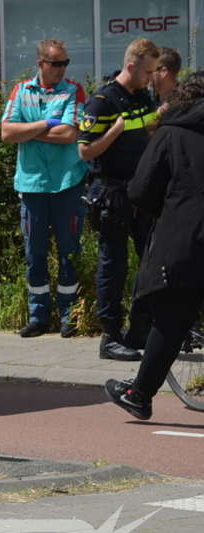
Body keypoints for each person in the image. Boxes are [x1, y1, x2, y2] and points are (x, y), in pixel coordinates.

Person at [106, 71, 204, 420]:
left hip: (184, 239)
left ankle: (139, 394)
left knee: (171, 320)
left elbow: (141, 189)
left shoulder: (171, 131)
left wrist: (161, 209)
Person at [78, 39, 159, 361]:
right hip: (110, 193)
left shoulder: (142, 95)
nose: (151, 78)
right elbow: (84, 151)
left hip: (139, 192)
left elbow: (149, 131)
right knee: (114, 267)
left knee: (151, 262)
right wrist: (114, 131)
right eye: (148, 71)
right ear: (131, 66)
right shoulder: (102, 101)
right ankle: (110, 339)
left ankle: (140, 330)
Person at [1, 39, 88, 338]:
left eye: (65, 63)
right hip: (32, 184)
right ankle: (38, 317)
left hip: (67, 183)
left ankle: (69, 315)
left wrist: (29, 132)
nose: (62, 69)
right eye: (56, 63)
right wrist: (45, 123)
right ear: (40, 64)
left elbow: (67, 133)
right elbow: (6, 132)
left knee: (69, 252)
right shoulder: (21, 91)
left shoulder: (73, 90)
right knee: (34, 254)